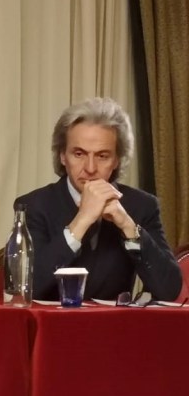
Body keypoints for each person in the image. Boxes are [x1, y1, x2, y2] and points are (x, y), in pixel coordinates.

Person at [15, 97, 182, 301]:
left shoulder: (141, 206)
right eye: (79, 154)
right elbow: (26, 288)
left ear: (116, 160)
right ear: (62, 156)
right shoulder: (34, 205)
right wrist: (81, 221)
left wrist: (128, 226)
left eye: (102, 156)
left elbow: (169, 291)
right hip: (52, 320)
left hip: (113, 321)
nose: (90, 168)